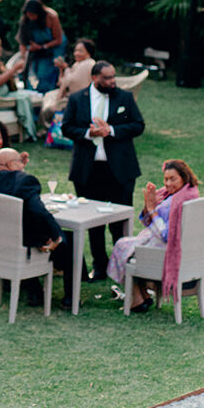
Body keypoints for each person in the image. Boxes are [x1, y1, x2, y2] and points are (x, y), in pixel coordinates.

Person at [62, 60, 146, 280]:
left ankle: (123, 267)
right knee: (93, 224)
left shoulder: (124, 98)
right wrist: (89, 134)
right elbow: (67, 127)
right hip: (88, 170)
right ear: (94, 78)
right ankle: (100, 266)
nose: (112, 82)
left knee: (119, 223)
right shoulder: (77, 99)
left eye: (113, 77)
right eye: (106, 78)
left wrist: (112, 130)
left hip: (119, 169)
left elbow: (138, 125)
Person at [0, 147, 74, 308]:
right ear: (11, 164)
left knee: (33, 233)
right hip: (24, 245)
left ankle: (34, 290)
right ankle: (69, 298)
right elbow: (38, 211)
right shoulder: (25, 181)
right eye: (20, 161)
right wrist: (56, 236)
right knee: (69, 239)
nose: (23, 165)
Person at [109, 160, 200, 312]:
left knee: (122, 247)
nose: (168, 183)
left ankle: (137, 297)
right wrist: (148, 208)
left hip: (167, 250)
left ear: (184, 178)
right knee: (127, 246)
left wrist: (152, 210)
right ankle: (142, 294)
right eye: (166, 179)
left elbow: (166, 234)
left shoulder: (181, 201)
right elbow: (148, 222)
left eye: (173, 179)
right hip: (170, 245)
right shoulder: (184, 194)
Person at [41, 37, 97, 129]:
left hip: (79, 98)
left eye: (80, 51)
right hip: (70, 95)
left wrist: (66, 68)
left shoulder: (88, 64)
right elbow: (61, 82)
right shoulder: (78, 64)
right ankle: (48, 127)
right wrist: (62, 69)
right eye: (76, 51)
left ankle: (49, 127)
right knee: (49, 95)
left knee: (50, 105)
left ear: (88, 52)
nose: (76, 53)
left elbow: (72, 81)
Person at [16, 0, 65, 93]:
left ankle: (46, 95)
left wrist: (43, 47)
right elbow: (22, 44)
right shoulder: (25, 21)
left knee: (45, 74)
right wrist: (23, 59)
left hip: (53, 47)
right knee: (33, 72)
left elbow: (58, 40)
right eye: (28, 14)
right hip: (35, 49)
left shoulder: (51, 16)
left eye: (33, 15)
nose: (31, 17)